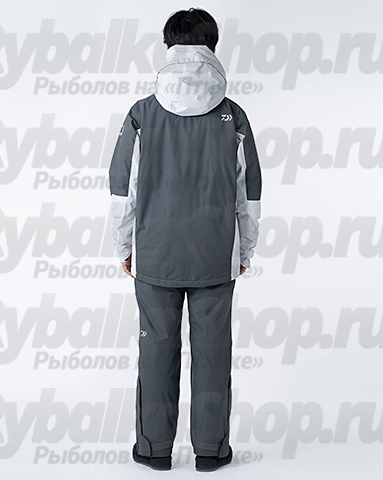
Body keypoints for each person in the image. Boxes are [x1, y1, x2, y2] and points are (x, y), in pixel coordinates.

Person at [108, 7, 262, 472]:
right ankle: (211, 452)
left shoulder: (142, 114)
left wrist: (124, 246)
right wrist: (244, 249)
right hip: (214, 254)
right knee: (214, 352)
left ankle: (154, 450)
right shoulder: (233, 115)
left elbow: (123, 187)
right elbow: (249, 191)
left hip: (155, 253)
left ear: (167, 46)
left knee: (156, 350)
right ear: (213, 46)